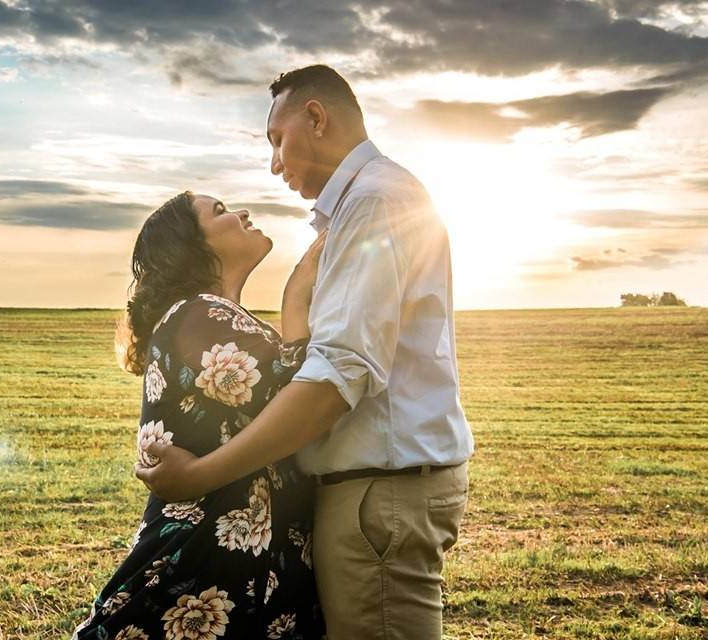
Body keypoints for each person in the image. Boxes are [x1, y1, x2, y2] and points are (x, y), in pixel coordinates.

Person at [137, 65, 474, 639]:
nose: (274, 164)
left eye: (277, 140)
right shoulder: (369, 203)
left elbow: (332, 378)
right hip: (376, 488)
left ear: (315, 118)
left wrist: (198, 477)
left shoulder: (372, 202)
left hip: (378, 489)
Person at [73, 191, 327, 639]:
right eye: (222, 211)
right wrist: (298, 290)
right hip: (198, 571)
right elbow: (309, 387)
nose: (242, 213)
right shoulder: (198, 314)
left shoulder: (212, 316)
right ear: (192, 247)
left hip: (229, 574)